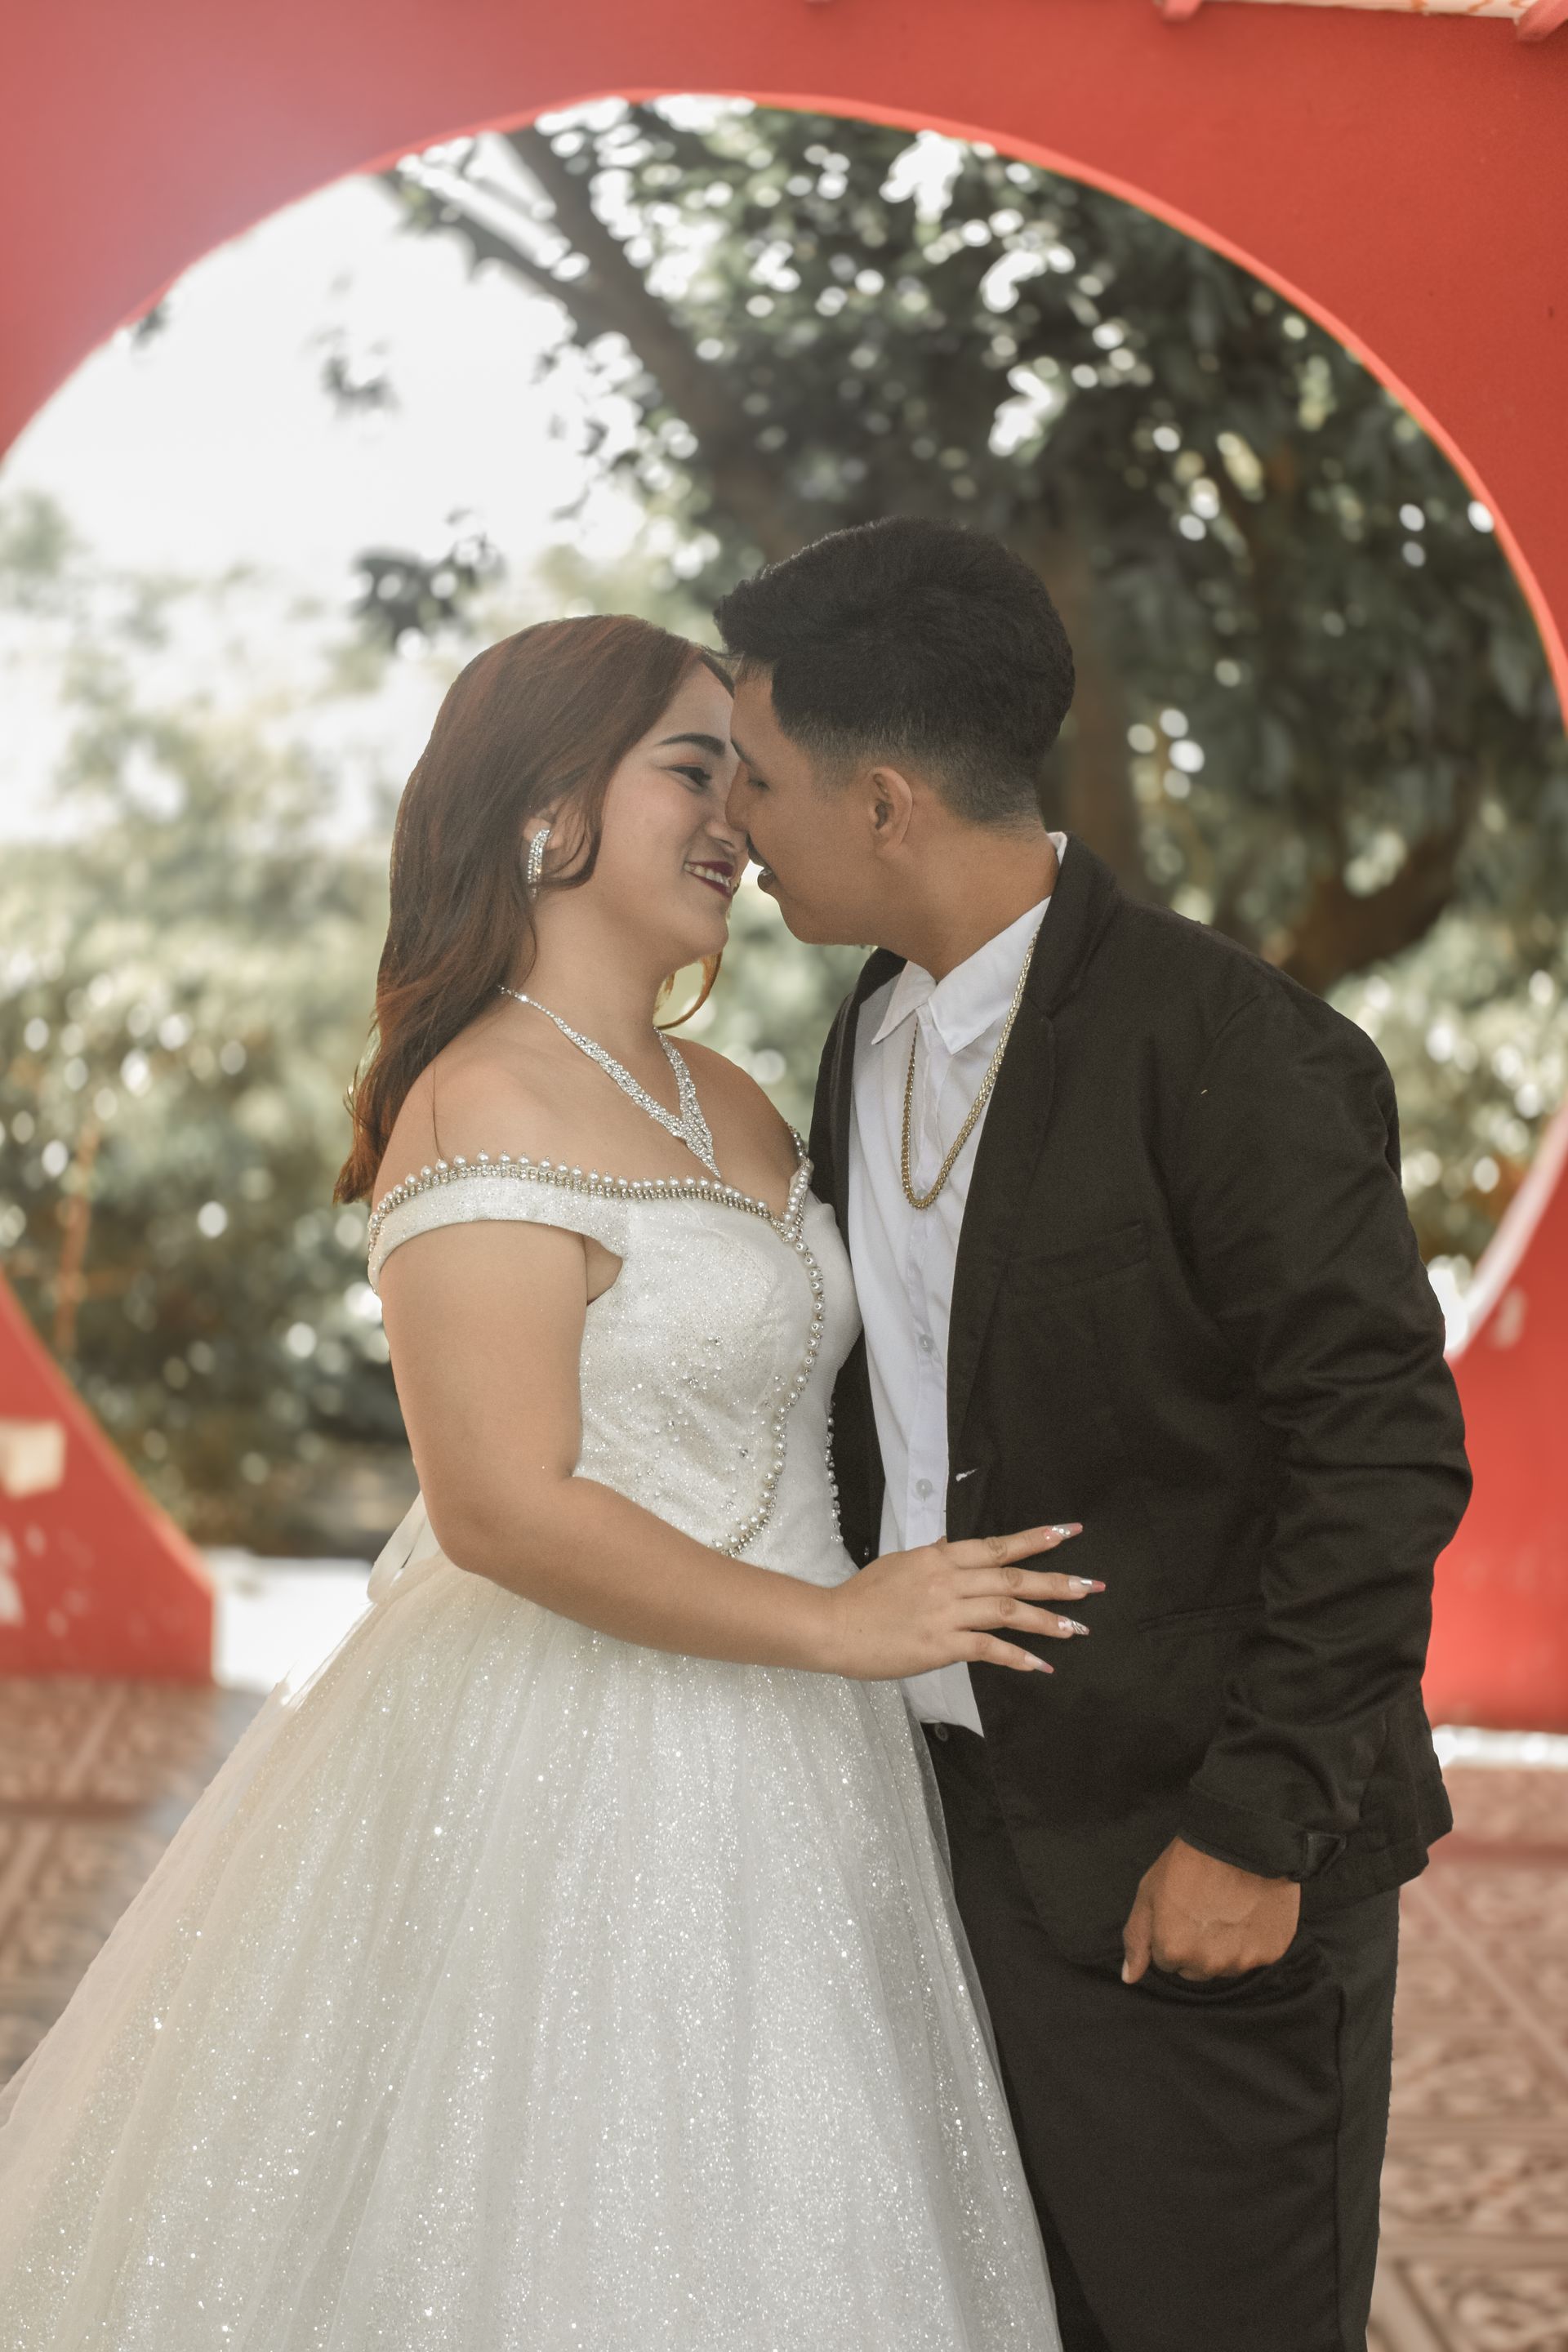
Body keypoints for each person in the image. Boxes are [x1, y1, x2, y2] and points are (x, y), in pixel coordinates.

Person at [0, 612, 1075, 2350]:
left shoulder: (735, 1098)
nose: (734, 816)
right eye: (690, 770)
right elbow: (501, 1505)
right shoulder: (475, 1098)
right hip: (576, 1756)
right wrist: (837, 1625)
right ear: (544, 809)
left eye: (746, 777)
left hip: (814, 1769)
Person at [716, 518, 1472, 2352]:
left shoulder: (1244, 1049)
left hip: (1189, 1860)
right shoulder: (863, 1034)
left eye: (755, 775)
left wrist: (1254, 1829)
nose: (735, 820)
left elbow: (1382, 1457)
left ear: (884, 801)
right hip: (945, 1855)